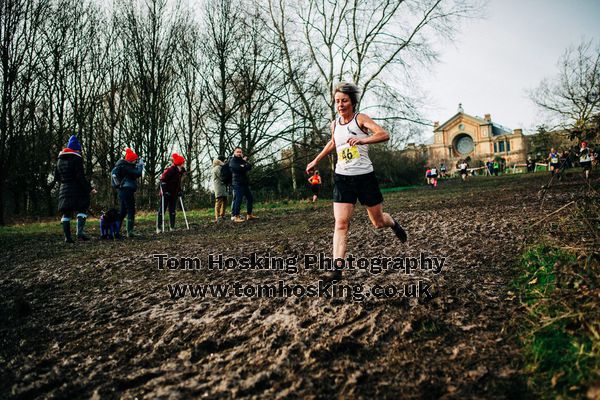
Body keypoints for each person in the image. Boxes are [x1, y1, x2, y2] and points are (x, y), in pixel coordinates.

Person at [305, 82, 407, 282]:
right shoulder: (335, 124)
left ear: (352, 102)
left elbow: (384, 134)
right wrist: (316, 160)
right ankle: (337, 270)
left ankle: (393, 223)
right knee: (341, 223)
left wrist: (363, 140)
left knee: (378, 222)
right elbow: (334, 142)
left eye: (344, 101)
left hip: (365, 178)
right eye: (337, 101)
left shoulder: (360, 119)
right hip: (343, 178)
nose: (340, 105)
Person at [54, 135, 96, 243]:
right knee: (82, 209)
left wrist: (65, 182)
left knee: (66, 213)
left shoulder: (59, 160)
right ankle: (80, 233)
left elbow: (56, 177)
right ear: (77, 148)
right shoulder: (77, 158)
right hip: (77, 189)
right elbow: (80, 177)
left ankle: (67, 237)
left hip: (64, 189)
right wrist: (89, 189)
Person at [112, 148, 144, 237]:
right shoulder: (126, 167)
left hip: (122, 190)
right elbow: (137, 173)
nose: (136, 161)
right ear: (131, 160)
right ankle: (130, 232)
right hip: (127, 190)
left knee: (122, 211)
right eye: (135, 160)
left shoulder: (121, 166)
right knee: (131, 210)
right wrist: (141, 166)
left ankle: (116, 231)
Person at [156, 153, 186, 233]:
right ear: (180, 163)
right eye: (183, 162)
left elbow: (178, 183)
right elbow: (162, 180)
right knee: (162, 210)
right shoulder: (170, 170)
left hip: (174, 193)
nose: (184, 164)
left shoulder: (180, 172)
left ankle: (172, 227)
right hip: (166, 193)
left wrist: (179, 191)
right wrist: (164, 191)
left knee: (172, 210)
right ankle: (159, 228)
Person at [230, 147, 258, 222]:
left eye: (240, 152)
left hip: (244, 183)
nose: (239, 153)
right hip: (237, 183)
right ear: (234, 153)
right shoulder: (233, 161)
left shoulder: (242, 160)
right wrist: (243, 166)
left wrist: (244, 165)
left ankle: (249, 215)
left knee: (250, 198)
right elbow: (237, 168)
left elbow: (249, 166)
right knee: (238, 200)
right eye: (237, 152)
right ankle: (236, 216)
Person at [213, 155, 228, 222]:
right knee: (219, 201)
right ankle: (217, 217)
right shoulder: (217, 168)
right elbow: (221, 176)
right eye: (224, 160)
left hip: (222, 186)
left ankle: (222, 215)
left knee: (225, 200)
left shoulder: (220, 167)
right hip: (219, 187)